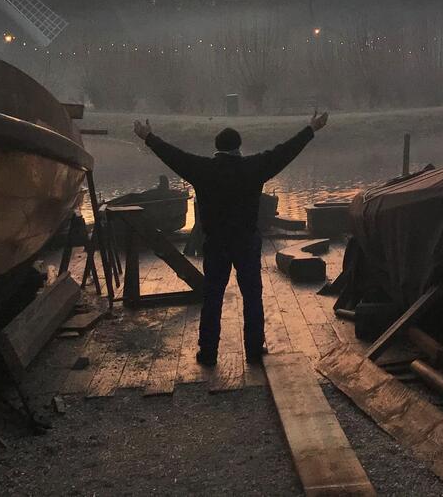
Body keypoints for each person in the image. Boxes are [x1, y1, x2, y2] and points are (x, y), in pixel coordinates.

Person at [132, 112, 329, 366]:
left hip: (215, 243)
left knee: (212, 298)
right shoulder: (254, 167)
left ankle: (208, 353)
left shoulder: (202, 169)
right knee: (252, 296)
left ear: (217, 148)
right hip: (246, 241)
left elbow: (173, 156)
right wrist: (311, 128)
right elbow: (285, 152)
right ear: (238, 148)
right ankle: (255, 350)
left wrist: (148, 136)